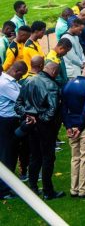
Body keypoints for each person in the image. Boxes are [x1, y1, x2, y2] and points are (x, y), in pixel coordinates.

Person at [14, 61, 62, 199]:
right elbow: (52, 111)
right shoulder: (52, 85)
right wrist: (39, 119)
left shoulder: (28, 81)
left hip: (31, 124)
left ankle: (33, 187)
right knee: (47, 157)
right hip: (44, 127)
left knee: (34, 156)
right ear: (53, 72)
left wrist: (27, 115)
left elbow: (18, 104)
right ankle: (48, 190)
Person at [61, 65, 85, 199]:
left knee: (75, 158)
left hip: (71, 127)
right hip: (84, 128)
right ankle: (84, 189)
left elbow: (63, 108)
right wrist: (80, 128)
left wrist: (68, 126)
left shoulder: (68, 84)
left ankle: (73, 189)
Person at [0, 61, 26, 199]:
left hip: (9, 121)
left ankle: (7, 187)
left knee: (10, 154)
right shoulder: (5, 84)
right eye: (21, 76)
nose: (21, 78)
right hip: (6, 122)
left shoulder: (7, 80)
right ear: (17, 72)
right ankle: (3, 190)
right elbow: (20, 98)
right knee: (7, 155)